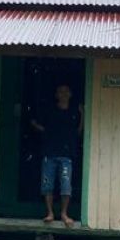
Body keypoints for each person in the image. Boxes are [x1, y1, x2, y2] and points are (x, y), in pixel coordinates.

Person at [30, 83, 83, 226]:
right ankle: (50, 213)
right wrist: (48, 134)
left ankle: (64, 214)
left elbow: (78, 131)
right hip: (50, 152)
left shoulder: (74, 111)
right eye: (60, 91)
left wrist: (82, 114)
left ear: (70, 94)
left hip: (66, 154)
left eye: (66, 91)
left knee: (66, 185)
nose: (63, 94)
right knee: (47, 184)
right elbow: (36, 123)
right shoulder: (50, 110)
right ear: (56, 95)